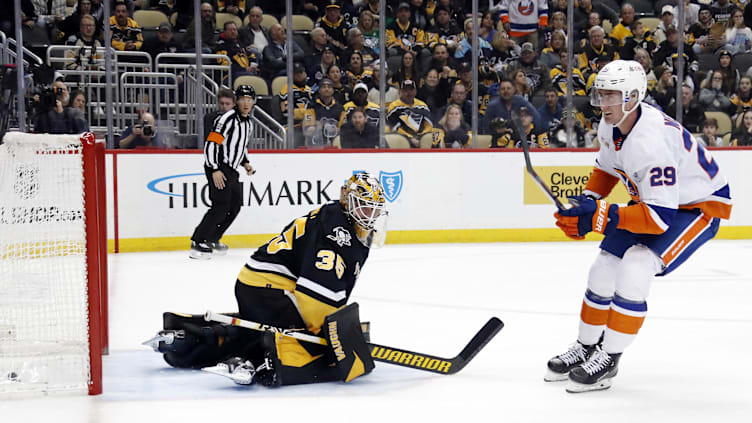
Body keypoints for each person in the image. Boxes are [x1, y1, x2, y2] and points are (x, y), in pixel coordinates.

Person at [547, 60, 732, 393]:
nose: (604, 103)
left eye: (611, 96)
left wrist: (598, 216)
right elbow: (606, 169)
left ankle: (609, 357)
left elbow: (660, 218)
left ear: (632, 97)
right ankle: (586, 346)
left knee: (636, 265)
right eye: (601, 95)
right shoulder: (611, 123)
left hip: (697, 206)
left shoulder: (651, 142)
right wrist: (584, 204)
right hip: (657, 202)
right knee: (603, 267)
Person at [147, 172, 387, 387]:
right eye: (365, 207)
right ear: (348, 202)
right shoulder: (338, 233)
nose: (371, 215)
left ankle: (190, 337)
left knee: (263, 330)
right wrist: (328, 335)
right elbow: (314, 296)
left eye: (376, 209)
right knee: (310, 346)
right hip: (269, 289)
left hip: (260, 284)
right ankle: (256, 362)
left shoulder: (339, 220)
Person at [189, 86, 257, 259]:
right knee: (220, 205)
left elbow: (239, 146)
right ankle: (198, 241)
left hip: (232, 169)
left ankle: (212, 237)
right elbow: (212, 143)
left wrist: (246, 162)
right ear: (237, 101)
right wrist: (214, 169)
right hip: (219, 166)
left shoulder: (248, 122)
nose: (246, 103)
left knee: (235, 206)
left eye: (249, 99)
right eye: (242, 99)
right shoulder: (227, 119)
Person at [386, 79, 434, 148]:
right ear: (400, 92)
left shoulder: (422, 105)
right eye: (405, 90)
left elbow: (429, 124)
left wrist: (422, 135)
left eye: (411, 90)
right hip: (403, 138)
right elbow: (395, 127)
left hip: (421, 137)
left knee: (429, 138)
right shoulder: (394, 106)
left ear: (415, 91)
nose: (408, 93)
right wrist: (410, 138)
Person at [302, 78, 344, 146]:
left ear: (333, 90)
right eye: (324, 87)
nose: (327, 89)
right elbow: (307, 130)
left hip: (334, 143)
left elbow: (344, 129)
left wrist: (334, 130)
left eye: (329, 87)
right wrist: (319, 127)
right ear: (319, 90)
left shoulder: (340, 108)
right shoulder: (311, 106)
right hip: (316, 143)